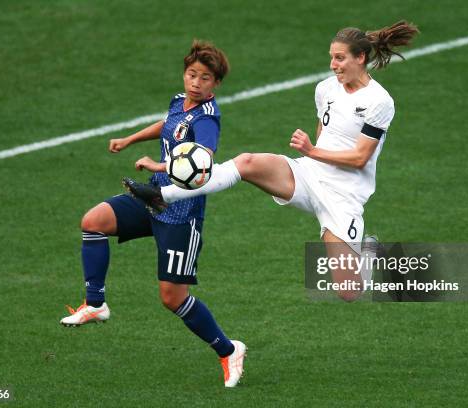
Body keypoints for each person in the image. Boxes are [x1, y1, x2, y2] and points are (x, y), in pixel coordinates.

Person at [124, 21, 419, 301]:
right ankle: (164, 195)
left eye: (340, 58)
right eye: (331, 58)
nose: (333, 65)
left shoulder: (380, 102)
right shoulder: (326, 88)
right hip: (309, 174)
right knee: (248, 162)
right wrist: (313, 155)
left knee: (348, 291)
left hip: (344, 195)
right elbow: (324, 131)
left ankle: (368, 251)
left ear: (361, 57)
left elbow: (359, 157)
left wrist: (311, 151)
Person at [61, 40, 246, 388]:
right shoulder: (180, 101)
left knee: (171, 298)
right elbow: (167, 125)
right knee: (93, 222)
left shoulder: (208, 120)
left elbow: (202, 163)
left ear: (215, 84)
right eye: (192, 74)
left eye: (205, 78)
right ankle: (96, 303)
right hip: (151, 197)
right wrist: (130, 140)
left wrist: (157, 163)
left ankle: (228, 350)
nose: (196, 82)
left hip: (181, 214)